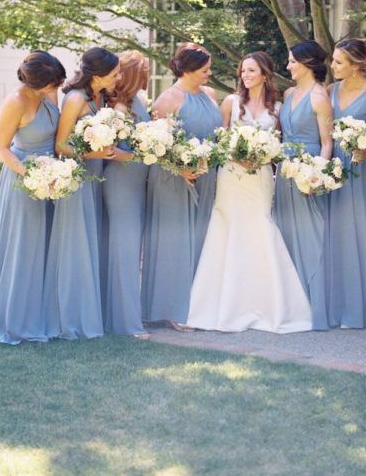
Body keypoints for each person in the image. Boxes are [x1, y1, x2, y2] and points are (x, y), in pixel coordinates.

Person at [187, 52, 312, 333]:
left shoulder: (278, 108)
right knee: (226, 231)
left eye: (252, 71)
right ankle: (219, 308)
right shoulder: (231, 103)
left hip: (261, 178)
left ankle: (270, 306)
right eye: (243, 71)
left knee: (260, 228)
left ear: (265, 74)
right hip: (231, 177)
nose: (246, 75)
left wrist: (263, 156)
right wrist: (236, 156)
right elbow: (218, 140)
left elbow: (280, 145)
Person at [0, 51, 66, 344]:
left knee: (46, 248)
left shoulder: (49, 95)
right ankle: (14, 319)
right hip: (24, 180)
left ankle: (42, 315)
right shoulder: (15, 102)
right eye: (54, 83)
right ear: (38, 83)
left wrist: (57, 173)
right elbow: (1, 147)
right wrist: (31, 175)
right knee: (23, 248)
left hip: (53, 180)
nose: (58, 87)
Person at [141, 43, 222, 330]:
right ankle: (172, 309)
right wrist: (181, 168)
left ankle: (196, 305)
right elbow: (156, 145)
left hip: (207, 175)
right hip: (173, 178)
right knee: (175, 242)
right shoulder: (168, 99)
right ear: (186, 70)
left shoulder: (210, 95)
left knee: (200, 239)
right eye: (204, 70)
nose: (209, 74)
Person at [44, 47, 120, 340]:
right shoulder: (75, 99)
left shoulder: (100, 97)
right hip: (77, 179)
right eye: (115, 74)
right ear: (98, 76)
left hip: (96, 176)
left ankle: (90, 313)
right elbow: (61, 145)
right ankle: (70, 317)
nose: (118, 78)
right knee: (75, 245)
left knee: (90, 242)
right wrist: (93, 150)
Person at [326, 39, 366, 331]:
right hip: (336, 167)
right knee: (337, 234)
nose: (332, 66)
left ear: (356, 65)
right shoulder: (330, 91)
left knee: (361, 233)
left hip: (362, 172)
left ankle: (363, 309)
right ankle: (337, 308)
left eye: (338, 62)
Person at [273, 40, 333, 330]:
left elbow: (327, 143)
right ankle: (291, 305)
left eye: (292, 62)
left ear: (308, 63)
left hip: (306, 171)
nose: (288, 66)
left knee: (310, 235)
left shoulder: (320, 97)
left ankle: (314, 306)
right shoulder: (288, 93)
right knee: (285, 233)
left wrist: (315, 175)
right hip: (284, 170)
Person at [102, 50, 151, 338]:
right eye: (143, 72)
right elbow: (110, 150)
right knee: (125, 248)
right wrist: (140, 157)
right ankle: (126, 321)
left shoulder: (138, 102)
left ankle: (125, 313)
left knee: (132, 249)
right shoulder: (118, 108)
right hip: (121, 182)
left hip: (137, 181)